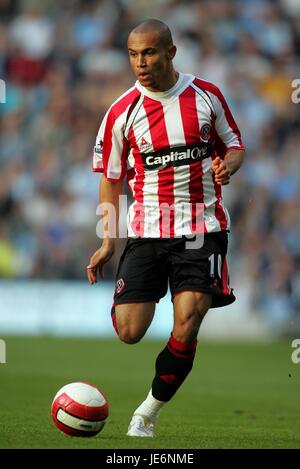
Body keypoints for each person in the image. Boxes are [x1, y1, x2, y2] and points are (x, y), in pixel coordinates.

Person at [87, 19, 245, 437]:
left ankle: (147, 412)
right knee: (129, 331)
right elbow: (111, 177)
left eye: (150, 53)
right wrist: (108, 240)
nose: (141, 63)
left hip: (200, 227)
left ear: (171, 53)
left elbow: (235, 146)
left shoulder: (207, 96)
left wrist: (225, 167)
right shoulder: (121, 111)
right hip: (147, 230)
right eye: (133, 54)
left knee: (189, 318)